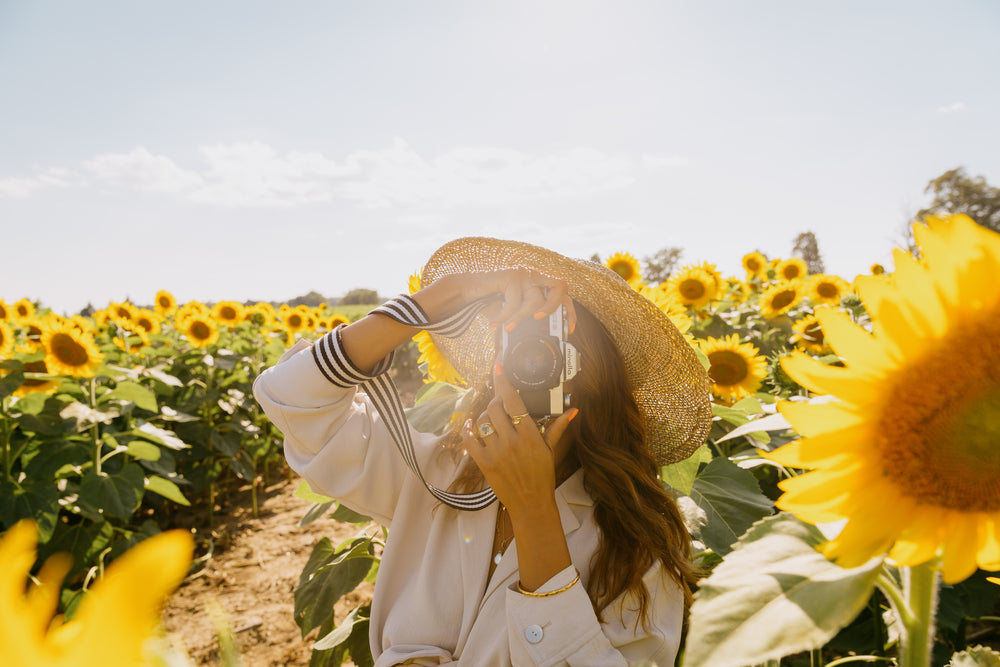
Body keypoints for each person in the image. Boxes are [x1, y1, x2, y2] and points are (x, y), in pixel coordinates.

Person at [253, 237, 712, 666]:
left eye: (554, 351)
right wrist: (437, 299)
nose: (533, 367)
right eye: (520, 349)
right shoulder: (438, 475)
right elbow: (293, 399)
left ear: (595, 378)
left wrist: (534, 512)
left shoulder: (637, 538)